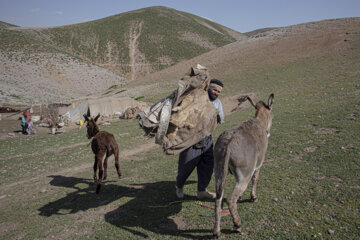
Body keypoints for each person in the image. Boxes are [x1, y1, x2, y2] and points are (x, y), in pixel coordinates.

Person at [176, 79, 224, 199]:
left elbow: (221, 119)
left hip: (207, 140)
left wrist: (214, 112)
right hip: (191, 139)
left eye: (219, 91)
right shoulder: (196, 98)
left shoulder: (217, 102)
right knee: (186, 165)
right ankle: (179, 186)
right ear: (208, 88)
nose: (216, 93)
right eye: (214, 90)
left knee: (207, 166)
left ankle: (202, 191)